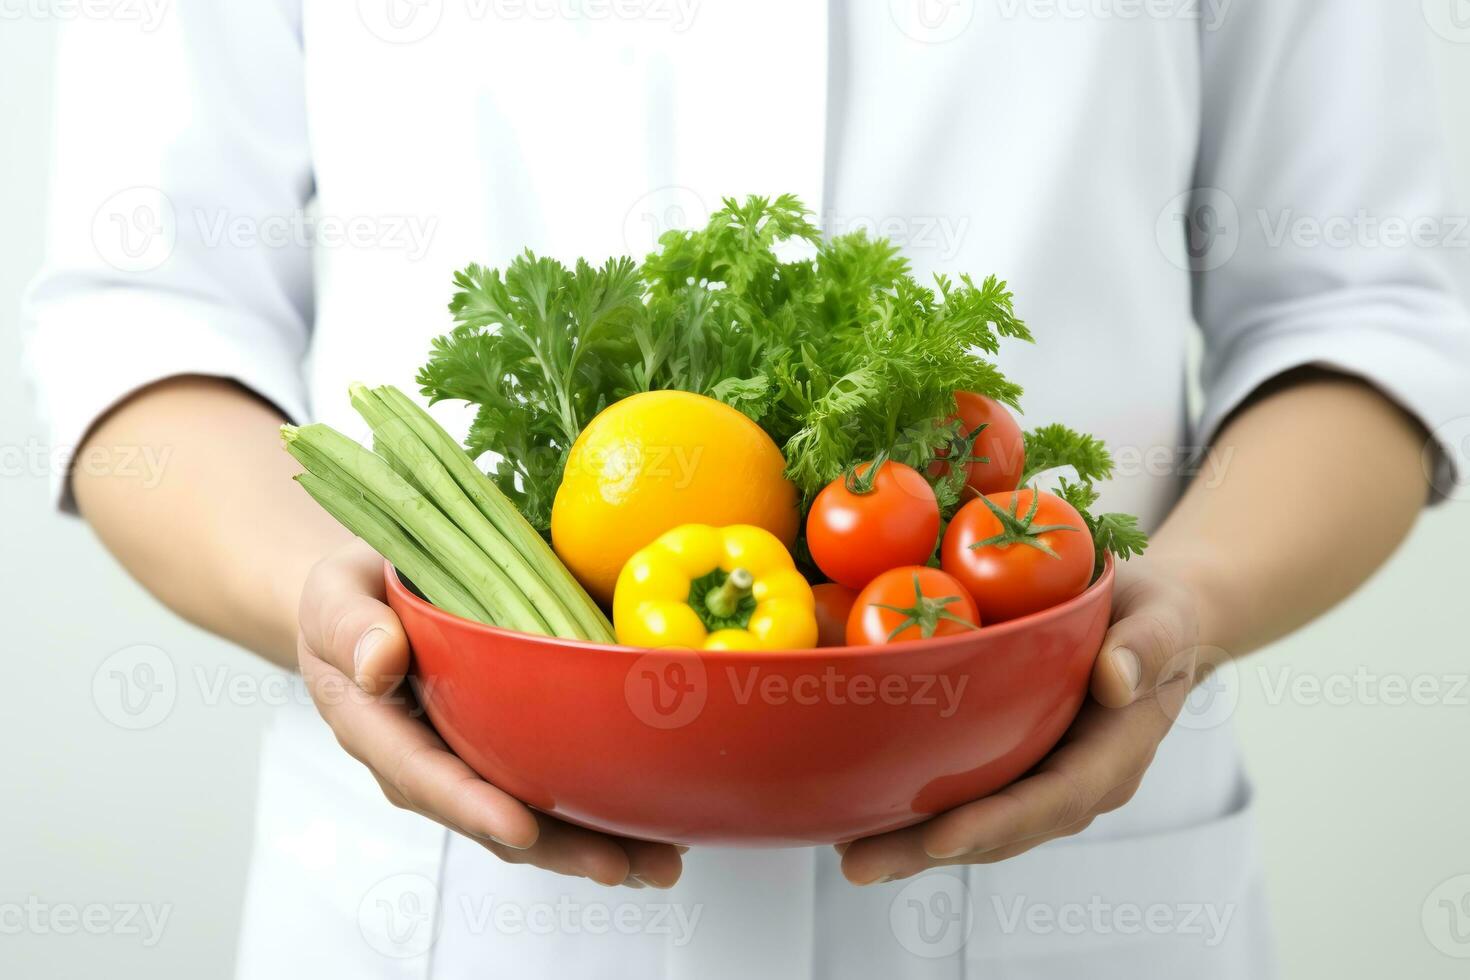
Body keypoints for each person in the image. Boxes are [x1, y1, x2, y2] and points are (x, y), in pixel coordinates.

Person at [25, 2, 1469, 977]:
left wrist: (1179, 613)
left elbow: (1363, 310)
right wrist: (327, 608)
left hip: (1066, 886)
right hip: (453, 916)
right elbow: (147, 306)